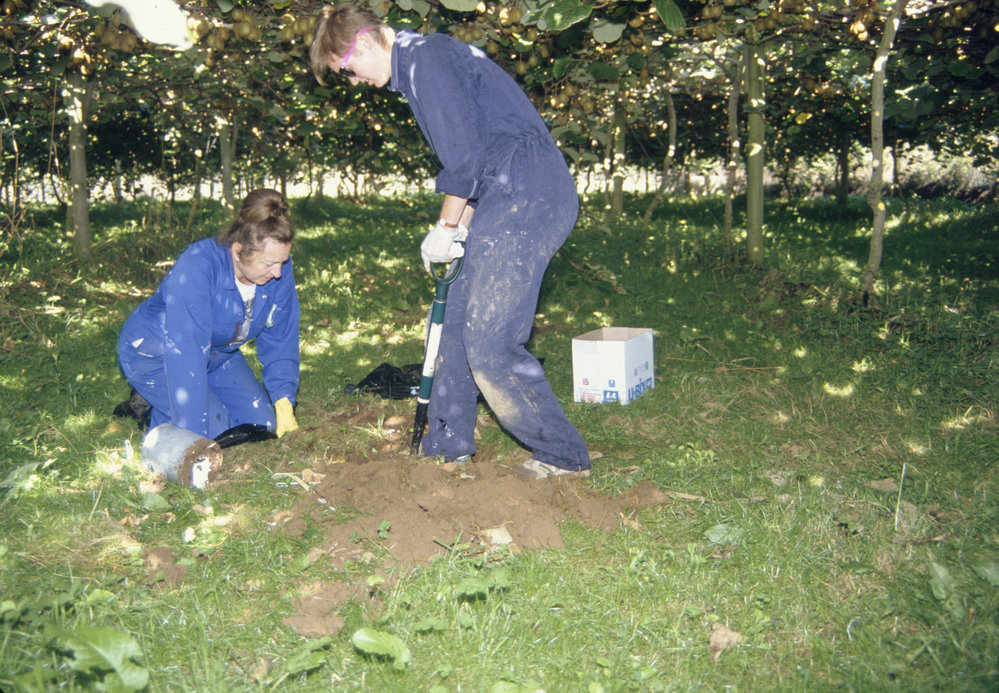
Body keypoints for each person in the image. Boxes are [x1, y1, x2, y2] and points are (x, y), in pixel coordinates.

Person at [309, 4, 590, 479]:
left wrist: (444, 228)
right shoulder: (419, 69)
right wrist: (463, 223)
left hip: (529, 193)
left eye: (347, 71)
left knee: (490, 341)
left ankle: (563, 456)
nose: (354, 83)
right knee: (453, 320)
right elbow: (482, 153)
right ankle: (446, 444)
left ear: (360, 44)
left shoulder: (426, 59)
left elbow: (464, 156)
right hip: (504, 194)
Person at [117, 189, 300, 445]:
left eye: (283, 261)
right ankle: (152, 413)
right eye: (269, 263)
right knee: (214, 430)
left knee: (262, 425)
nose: (278, 273)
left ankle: (175, 400)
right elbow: (186, 351)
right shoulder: (198, 267)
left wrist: (283, 398)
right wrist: (193, 436)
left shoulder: (278, 268)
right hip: (158, 353)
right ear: (238, 252)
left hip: (217, 353)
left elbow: (281, 337)